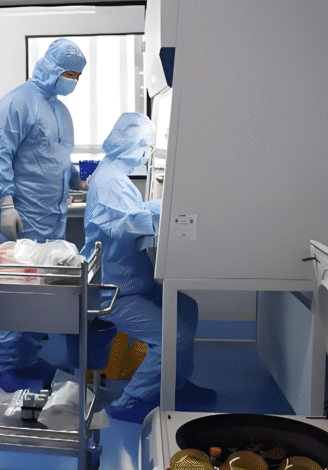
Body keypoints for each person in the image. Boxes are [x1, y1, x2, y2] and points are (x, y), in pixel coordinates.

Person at [83, 112, 215, 424]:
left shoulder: (114, 175)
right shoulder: (110, 180)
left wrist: (162, 209)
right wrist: (172, 216)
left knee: (186, 307)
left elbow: (133, 212)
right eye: (146, 146)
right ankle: (132, 402)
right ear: (133, 144)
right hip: (115, 292)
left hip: (131, 282)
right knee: (173, 336)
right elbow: (127, 225)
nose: (147, 153)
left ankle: (175, 385)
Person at [0, 38, 89, 392]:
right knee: (14, 291)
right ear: (51, 67)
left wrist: (77, 179)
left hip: (53, 216)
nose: (73, 80)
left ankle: (27, 359)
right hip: (23, 215)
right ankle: (2, 367)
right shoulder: (17, 102)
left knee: (40, 292)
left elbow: (57, 158)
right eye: (69, 73)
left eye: (77, 75)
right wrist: (6, 204)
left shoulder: (61, 112)